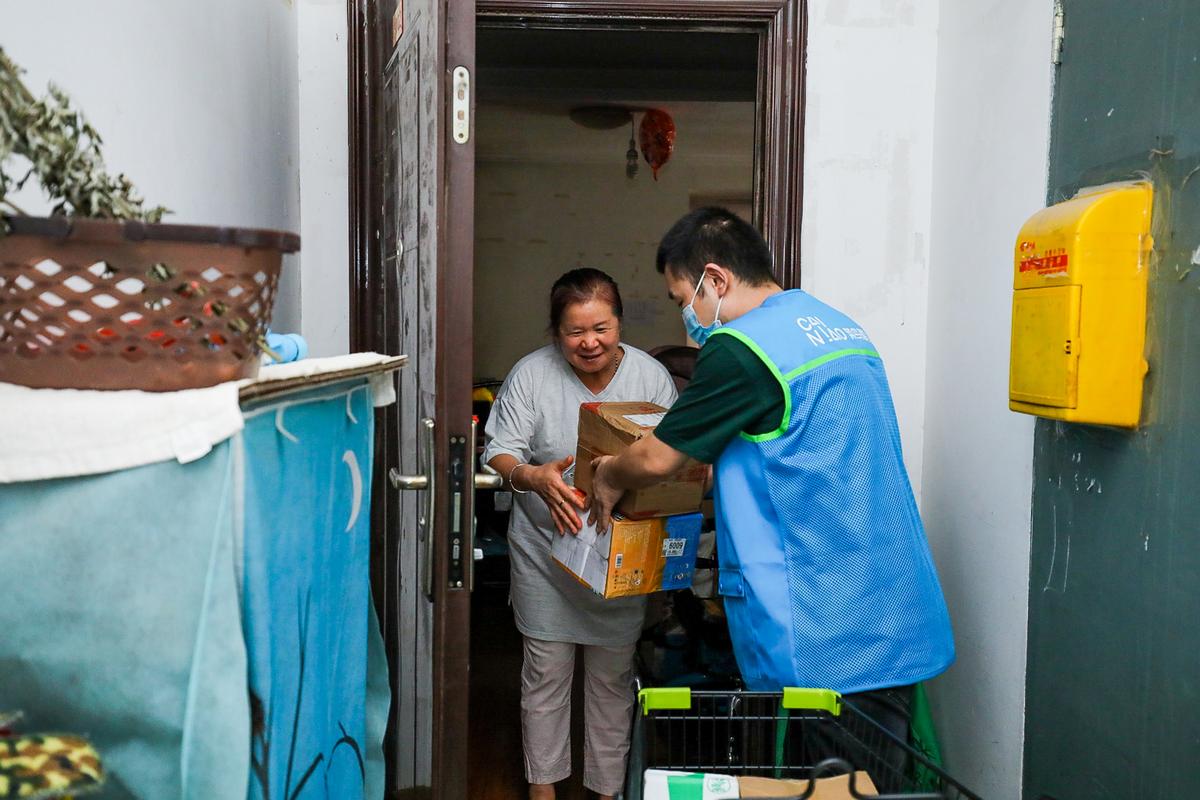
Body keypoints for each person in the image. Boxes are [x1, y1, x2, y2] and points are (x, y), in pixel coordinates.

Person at [588, 208, 955, 778]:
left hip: (830, 618)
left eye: (680, 297)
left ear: (715, 280)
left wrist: (608, 474)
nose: (686, 317)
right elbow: (803, 449)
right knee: (876, 778)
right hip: (889, 600)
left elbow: (658, 455)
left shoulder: (742, 347)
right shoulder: (833, 326)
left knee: (838, 785)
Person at [482, 268, 678, 800]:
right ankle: (542, 790)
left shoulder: (650, 377)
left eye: (602, 327)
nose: (589, 342)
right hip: (545, 551)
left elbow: (673, 455)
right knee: (545, 675)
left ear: (619, 323)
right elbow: (498, 449)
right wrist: (533, 477)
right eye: (574, 332)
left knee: (612, 680)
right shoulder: (531, 374)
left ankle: (605, 790)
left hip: (618, 553)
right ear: (555, 332)